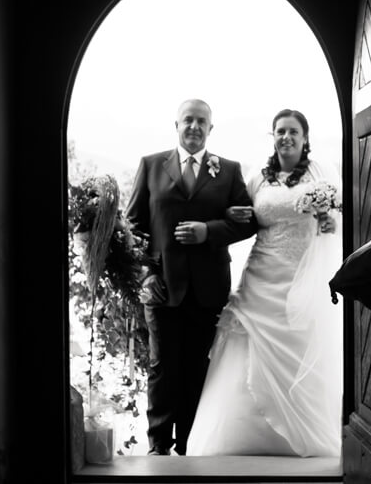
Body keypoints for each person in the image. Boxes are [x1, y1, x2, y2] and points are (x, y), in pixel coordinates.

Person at [186, 109, 343, 457]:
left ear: (305, 138)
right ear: (273, 137)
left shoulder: (321, 174)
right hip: (260, 276)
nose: (286, 137)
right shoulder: (257, 177)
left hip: (301, 277)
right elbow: (240, 214)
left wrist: (329, 223)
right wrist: (230, 216)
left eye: (293, 132)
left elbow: (336, 218)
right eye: (280, 131)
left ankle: (298, 435)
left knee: (299, 350)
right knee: (243, 349)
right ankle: (236, 438)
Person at [125, 98, 257, 456]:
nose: (194, 127)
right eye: (188, 120)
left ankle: (189, 445)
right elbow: (133, 227)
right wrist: (146, 274)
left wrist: (208, 231)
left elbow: (248, 222)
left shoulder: (228, 170)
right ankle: (158, 447)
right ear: (177, 125)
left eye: (202, 121)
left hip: (208, 288)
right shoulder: (151, 166)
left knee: (198, 367)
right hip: (162, 286)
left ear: (211, 128)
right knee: (162, 367)